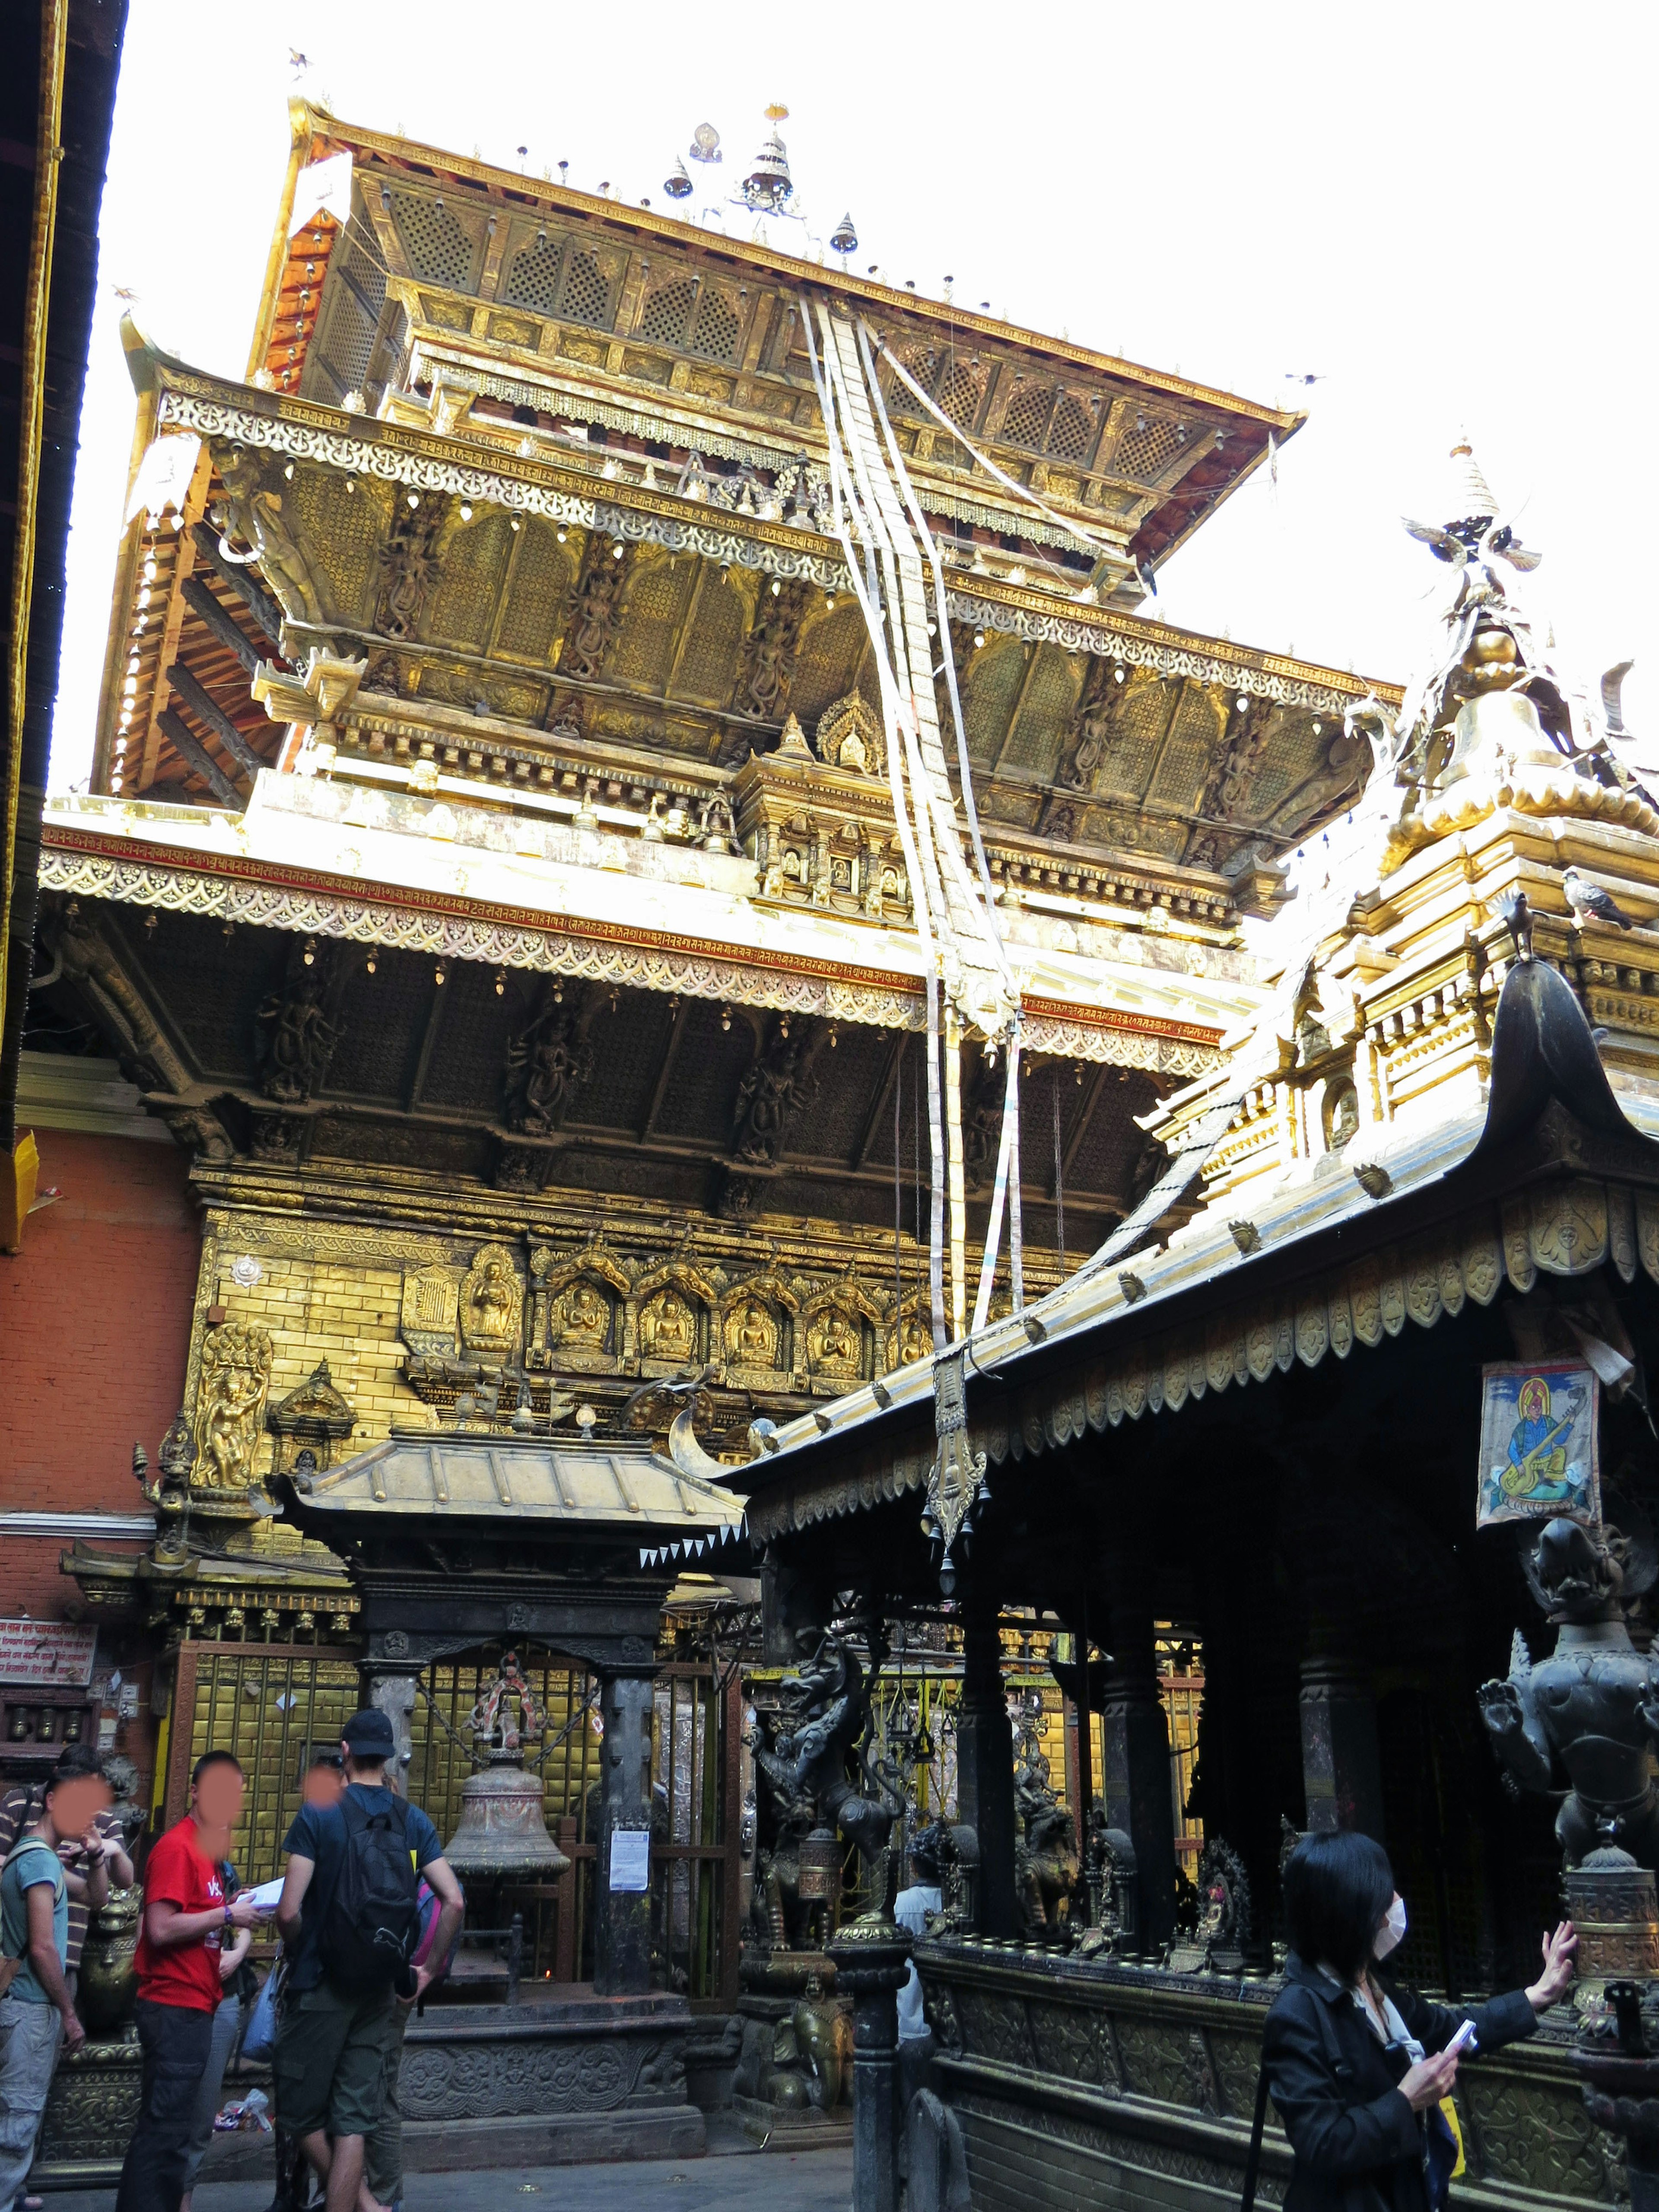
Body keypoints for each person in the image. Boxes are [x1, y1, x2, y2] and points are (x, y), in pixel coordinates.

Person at [1262, 1831, 1578, 2212]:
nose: (1394, 1908)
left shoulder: (1373, 1987)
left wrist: (1538, 1995)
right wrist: (1406, 2100)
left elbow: (1451, 2028)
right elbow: (1323, 2143)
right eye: (1382, 1899)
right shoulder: (1296, 2015)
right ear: (1350, 1916)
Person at [274, 1711, 461, 2212]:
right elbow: (454, 1901)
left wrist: (301, 1946)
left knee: (298, 2112)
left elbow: (289, 1909)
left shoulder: (320, 1812)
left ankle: (366, 2207)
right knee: (356, 2118)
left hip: (322, 1983)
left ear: (346, 1750)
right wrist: (427, 1969)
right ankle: (368, 2207)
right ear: (390, 1755)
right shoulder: (412, 1818)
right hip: (380, 1987)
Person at [115, 1751, 262, 2212]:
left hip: (198, 2001)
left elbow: (198, 1916)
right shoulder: (179, 1847)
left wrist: (230, 1907)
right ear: (195, 1792)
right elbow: (160, 1928)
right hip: (173, 2002)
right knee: (162, 2132)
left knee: (176, 2130)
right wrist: (225, 1913)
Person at [0, 1763, 111, 2212]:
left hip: (17, 2005)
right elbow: (45, 1947)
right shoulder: (42, 1861)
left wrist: (97, 1855)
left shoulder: (29, 1855)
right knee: (15, 2129)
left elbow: (97, 1897)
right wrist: (69, 2012)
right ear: (50, 1802)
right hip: (30, 2009)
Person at [0, 1744, 135, 1999]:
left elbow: (125, 1881)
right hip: (12, 1955)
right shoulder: (20, 1802)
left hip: (68, 1955)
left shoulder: (102, 1818)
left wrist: (112, 1850)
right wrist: (44, 1867)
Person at [177, 1852, 253, 2212]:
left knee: (204, 2109)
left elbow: (243, 1927)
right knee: (175, 2106)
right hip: (183, 1995)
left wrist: (238, 1954)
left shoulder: (225, 1872)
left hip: (224, 1996)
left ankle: (185, 2198)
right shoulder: (179, 1860)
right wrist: (225, 1914)